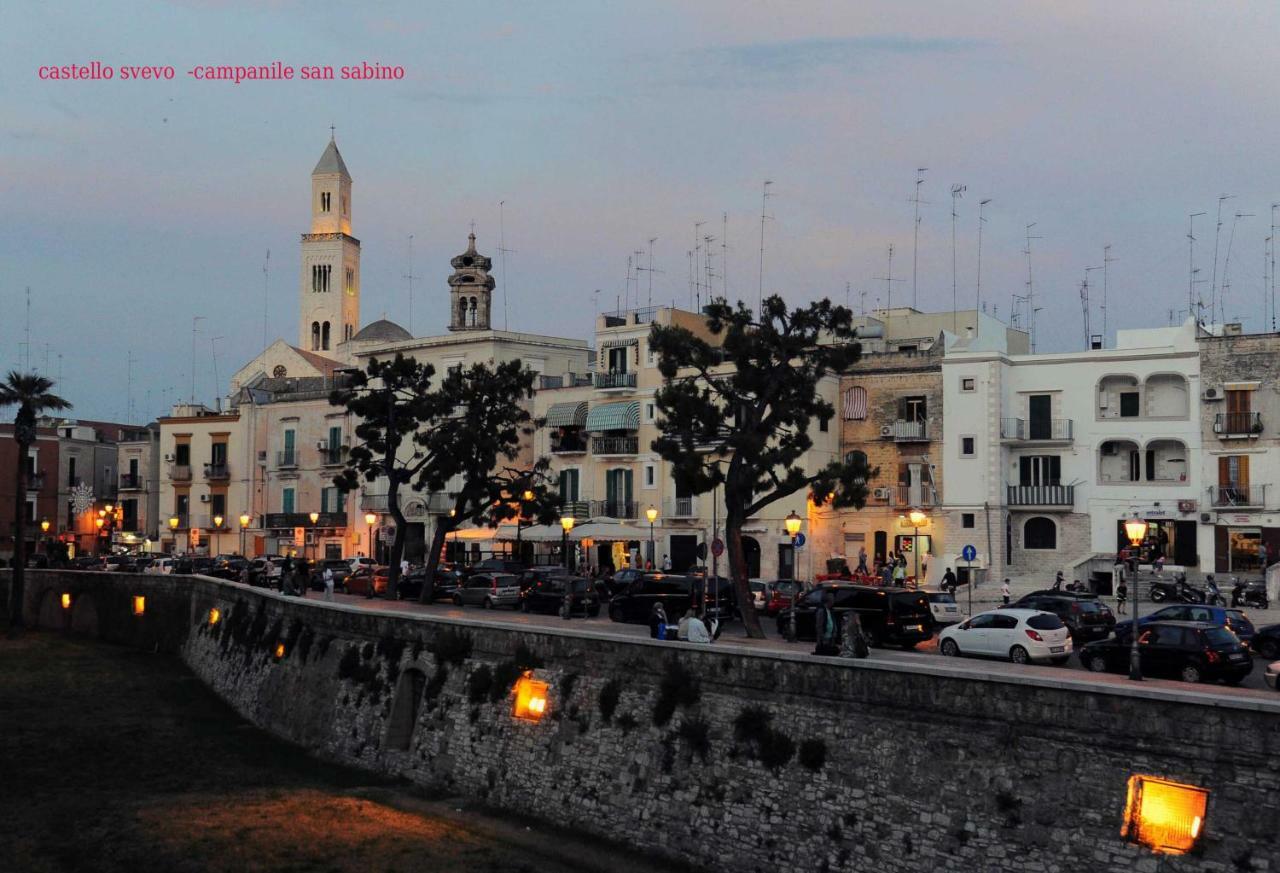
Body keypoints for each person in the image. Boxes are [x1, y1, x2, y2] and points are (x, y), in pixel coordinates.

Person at [813, 590, 839, 656]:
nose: (834, 602)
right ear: (829, 601)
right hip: (824, 640)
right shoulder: (821, 611)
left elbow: (833, 622)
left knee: (836, 650)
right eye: (833, 600)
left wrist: (834, 632)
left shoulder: (831, 610)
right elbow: (819, 626)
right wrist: (822, 638)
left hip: (830, 639)